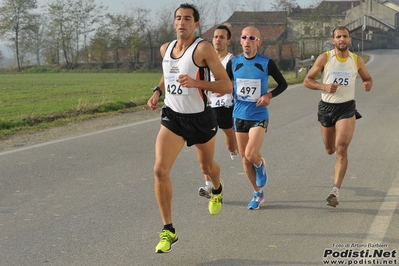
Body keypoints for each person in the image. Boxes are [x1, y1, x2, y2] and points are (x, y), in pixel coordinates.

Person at [147, 3, 232, 253]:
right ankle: (168, 230)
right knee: (160, 170)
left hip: (200, 118)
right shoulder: (166, 49)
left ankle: (217, 188)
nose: (182, 22)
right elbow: (168, 72)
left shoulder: (203, 48)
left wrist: (196, 83)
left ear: (196, 24)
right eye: (178, 18)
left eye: (187, 19)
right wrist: (157, 91)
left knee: (206, 167)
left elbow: (226, 86)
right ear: (174, 23)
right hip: (173, 117)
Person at [303, 26, 372, 207]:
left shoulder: (356, 60)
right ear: (333, 40)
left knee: (341, 148)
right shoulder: (325, 58)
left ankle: (335, 191)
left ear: (350, 40)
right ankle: (335, 182)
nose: (342, 39)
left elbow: (367, 78)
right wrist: (323, 86)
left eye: (345, 36)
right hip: (326, 107)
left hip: (346, 108)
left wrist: (367, 83)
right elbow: (307, 80)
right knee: (330, 149)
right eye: (338, 37)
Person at [226, 26, 287, 210]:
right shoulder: (233, 62)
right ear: (240, 41)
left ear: (258, 42)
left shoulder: (266, 63)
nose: (247, 41)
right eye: (244, 37)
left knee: (252, 154)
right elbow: (226, 84)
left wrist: (268, 96)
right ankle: (257, 193)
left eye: (252, 38)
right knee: (244, 159)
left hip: (258, 115)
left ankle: (260, 163)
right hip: (238, 115)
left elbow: (283, 84)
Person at [198, 24, 238, 199]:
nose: (218, 40)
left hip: (225, 105)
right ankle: (208, 184)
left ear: (228, 41)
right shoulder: (204, 59)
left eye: (222, 37)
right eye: (215, 36)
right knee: (205, 144)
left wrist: (227, 88)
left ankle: (234, 148)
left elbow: (240, 82)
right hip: (207, 105)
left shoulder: (232, 60)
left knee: (230, 142)